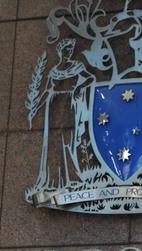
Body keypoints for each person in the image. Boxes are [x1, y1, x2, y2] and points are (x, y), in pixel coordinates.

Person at [33, 38, 95, 193]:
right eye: (66, 49)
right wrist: (35, 107)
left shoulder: (77, 66)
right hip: (53, 103)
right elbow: (47, 90)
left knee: (68, 139)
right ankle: (53, 181)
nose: (69, 52)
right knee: (53, 141)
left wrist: (78, 88)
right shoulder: (54, 70)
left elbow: (90, 78)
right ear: (60, 51)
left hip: (68, 101)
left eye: (71, 49)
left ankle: (72, 178)